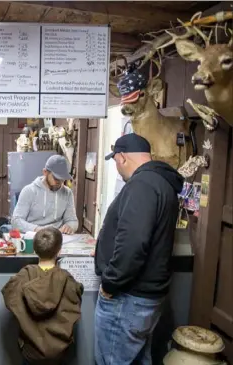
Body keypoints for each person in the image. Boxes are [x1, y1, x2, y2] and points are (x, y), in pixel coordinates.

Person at [94, 134, 184, 365]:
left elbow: (133, 243)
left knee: (112, 360)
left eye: (115, 162)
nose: (117, 169)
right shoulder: (163, 183)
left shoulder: (142, 185)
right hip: (148, 297)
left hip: (128, 297)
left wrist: (110, 282)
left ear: (122, 157)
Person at [2, 228, 83, 365]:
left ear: (34, 250)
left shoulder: (22, 277)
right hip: (60, 353)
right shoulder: (67, 280)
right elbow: (75, 303)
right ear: (59, 251)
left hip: (30, 352)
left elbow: (10, 296)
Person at [12, 154, 78, 234]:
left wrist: (70, 226)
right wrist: (38, 230)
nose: (60, 183)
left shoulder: (67, 193)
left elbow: (72, 220)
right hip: (34, 237)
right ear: (45, 172)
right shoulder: (29, 191)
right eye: (56, 178)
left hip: (57, 238)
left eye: (62, 179)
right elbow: (16, 221)